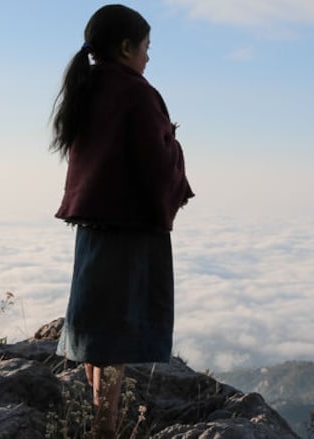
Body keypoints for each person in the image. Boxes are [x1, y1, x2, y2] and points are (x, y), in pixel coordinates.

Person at [50, 4, 194, 437]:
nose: (149, 57)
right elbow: (154, 163)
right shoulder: (135, 92)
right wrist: (173, 141)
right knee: (115, 331)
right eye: (146, 47)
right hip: (129, 227)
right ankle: (106, 427)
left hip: (93, 223)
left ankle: (102, 418)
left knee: (98, 323)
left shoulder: (88, 87)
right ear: (126, 47)